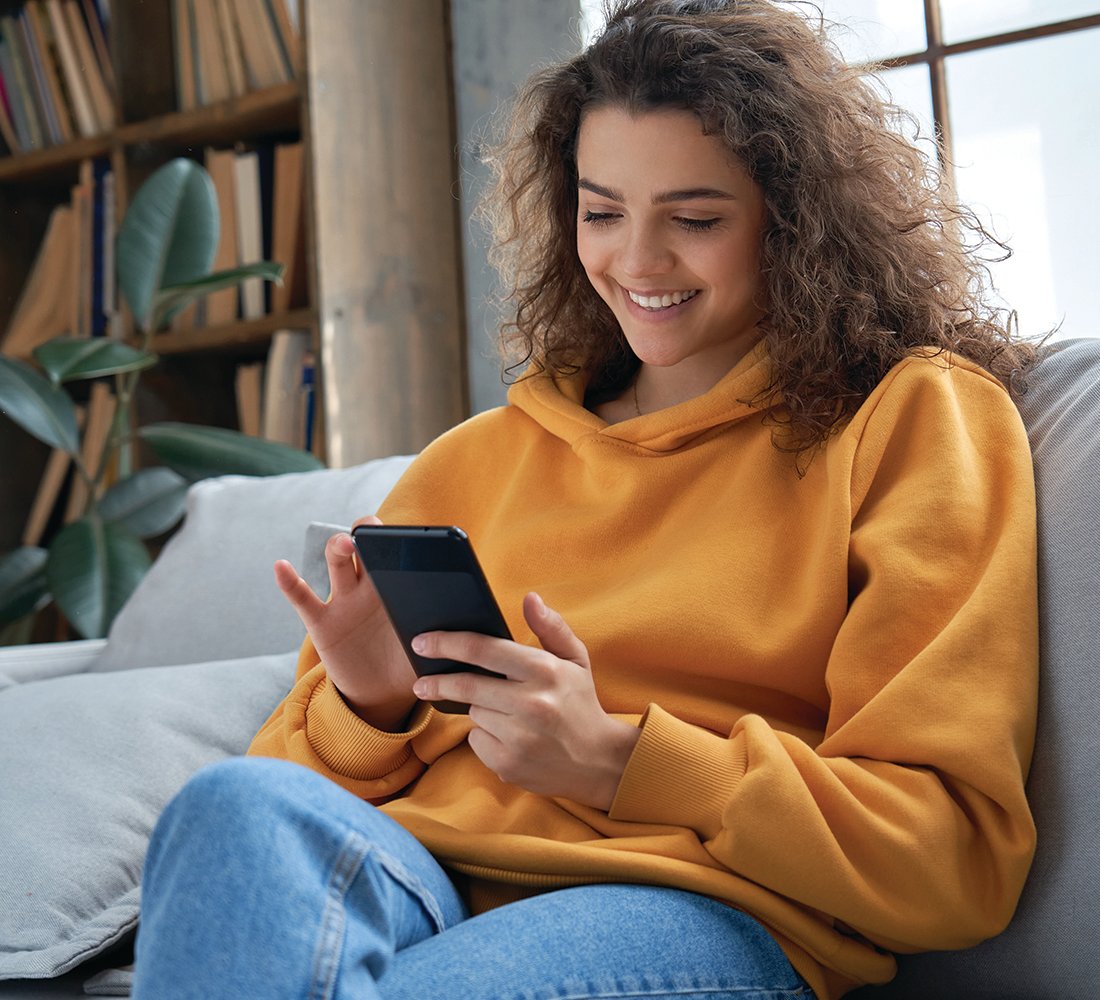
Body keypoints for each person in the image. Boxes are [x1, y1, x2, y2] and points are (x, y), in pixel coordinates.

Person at [130, 2, 1041, 997]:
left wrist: (617, 758)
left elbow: (950, 859)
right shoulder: (473, 459)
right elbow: (297, 804)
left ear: (794, 222)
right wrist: (370, 702)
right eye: (601, 212)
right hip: (418, 874)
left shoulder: (910, 419)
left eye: (693, 219)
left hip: (692, 902)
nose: (637, 263)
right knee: (228, 808)